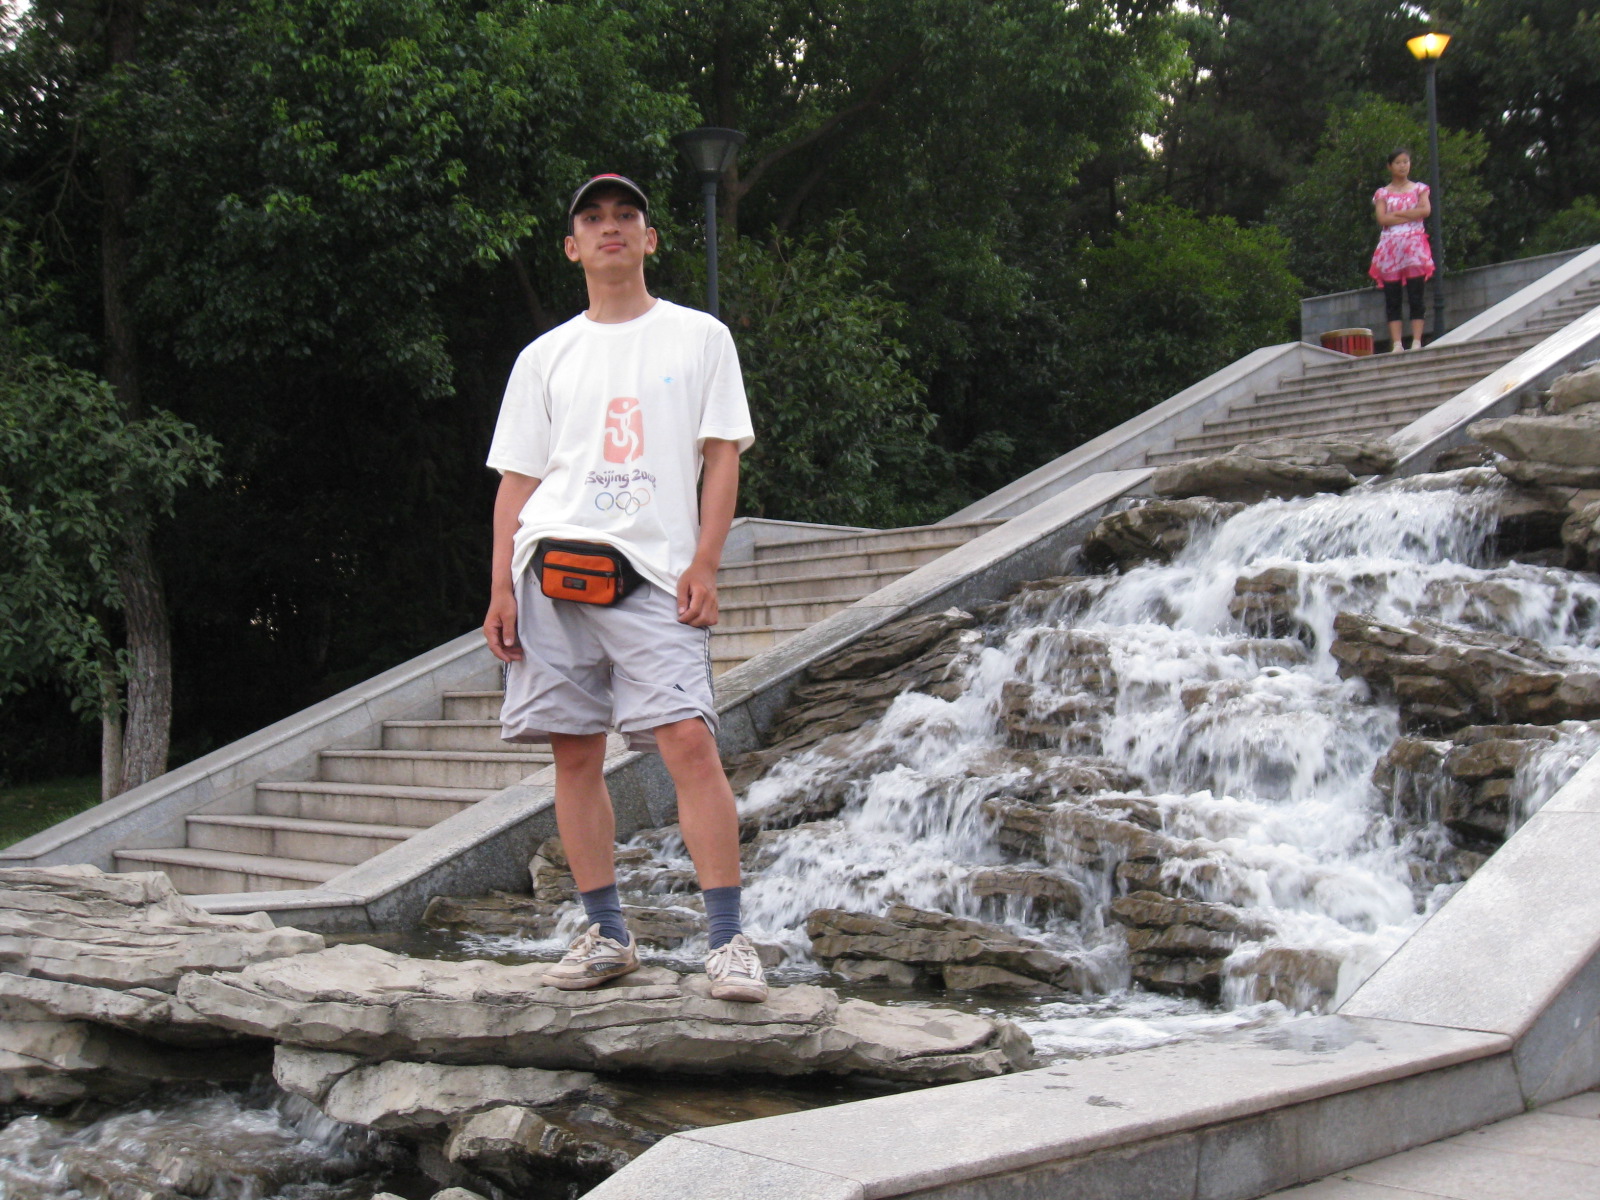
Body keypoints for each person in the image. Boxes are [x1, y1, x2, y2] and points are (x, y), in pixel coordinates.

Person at [482, 173, 767, 1003]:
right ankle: (607, 934)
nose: (611, 227)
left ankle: (728, 942)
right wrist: (500, 587)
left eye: (626, 216)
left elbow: (722, 456)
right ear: (572, 247)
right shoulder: (544, 357)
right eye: (593, 218)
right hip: (550, 570)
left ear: (649, 239)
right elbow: (516, 482)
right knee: (575, 754)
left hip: (654, 572)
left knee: (688, 743)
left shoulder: (700, 337)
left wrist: (705, 563)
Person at [1368, 147, 1435, 353]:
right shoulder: (1382, 193)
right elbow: (1382, 218)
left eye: (1406, 162)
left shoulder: (1419, 189)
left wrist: (1397, 215)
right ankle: (1397, 343)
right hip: (1390, 248)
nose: (1403, 166)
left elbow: (1425, 210)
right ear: (1390, 166)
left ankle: (1416, 341)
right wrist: (1411, 214)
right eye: (1398, 162)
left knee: (1416, 294)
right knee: (1392, 296)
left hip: (1414, 247)